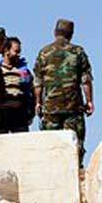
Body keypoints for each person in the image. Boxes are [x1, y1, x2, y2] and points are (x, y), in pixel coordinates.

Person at [34, 19, 94, 167]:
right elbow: (85, 80)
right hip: (73, 107)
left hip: (50, 108)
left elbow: (38, 82)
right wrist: (90, 101)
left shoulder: (44, 53)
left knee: (50, 145)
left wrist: (38, 103)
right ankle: (75, 173)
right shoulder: (78, 52)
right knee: (74, 146)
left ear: (55, 32)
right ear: (71, 34)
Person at [0, 37, 35, 133]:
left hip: (20, 113)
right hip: (1, 113)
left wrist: (31, 112)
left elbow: (31, 90)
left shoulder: (24, 71)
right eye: (16, 51)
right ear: (6, 51)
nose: (18, 55)